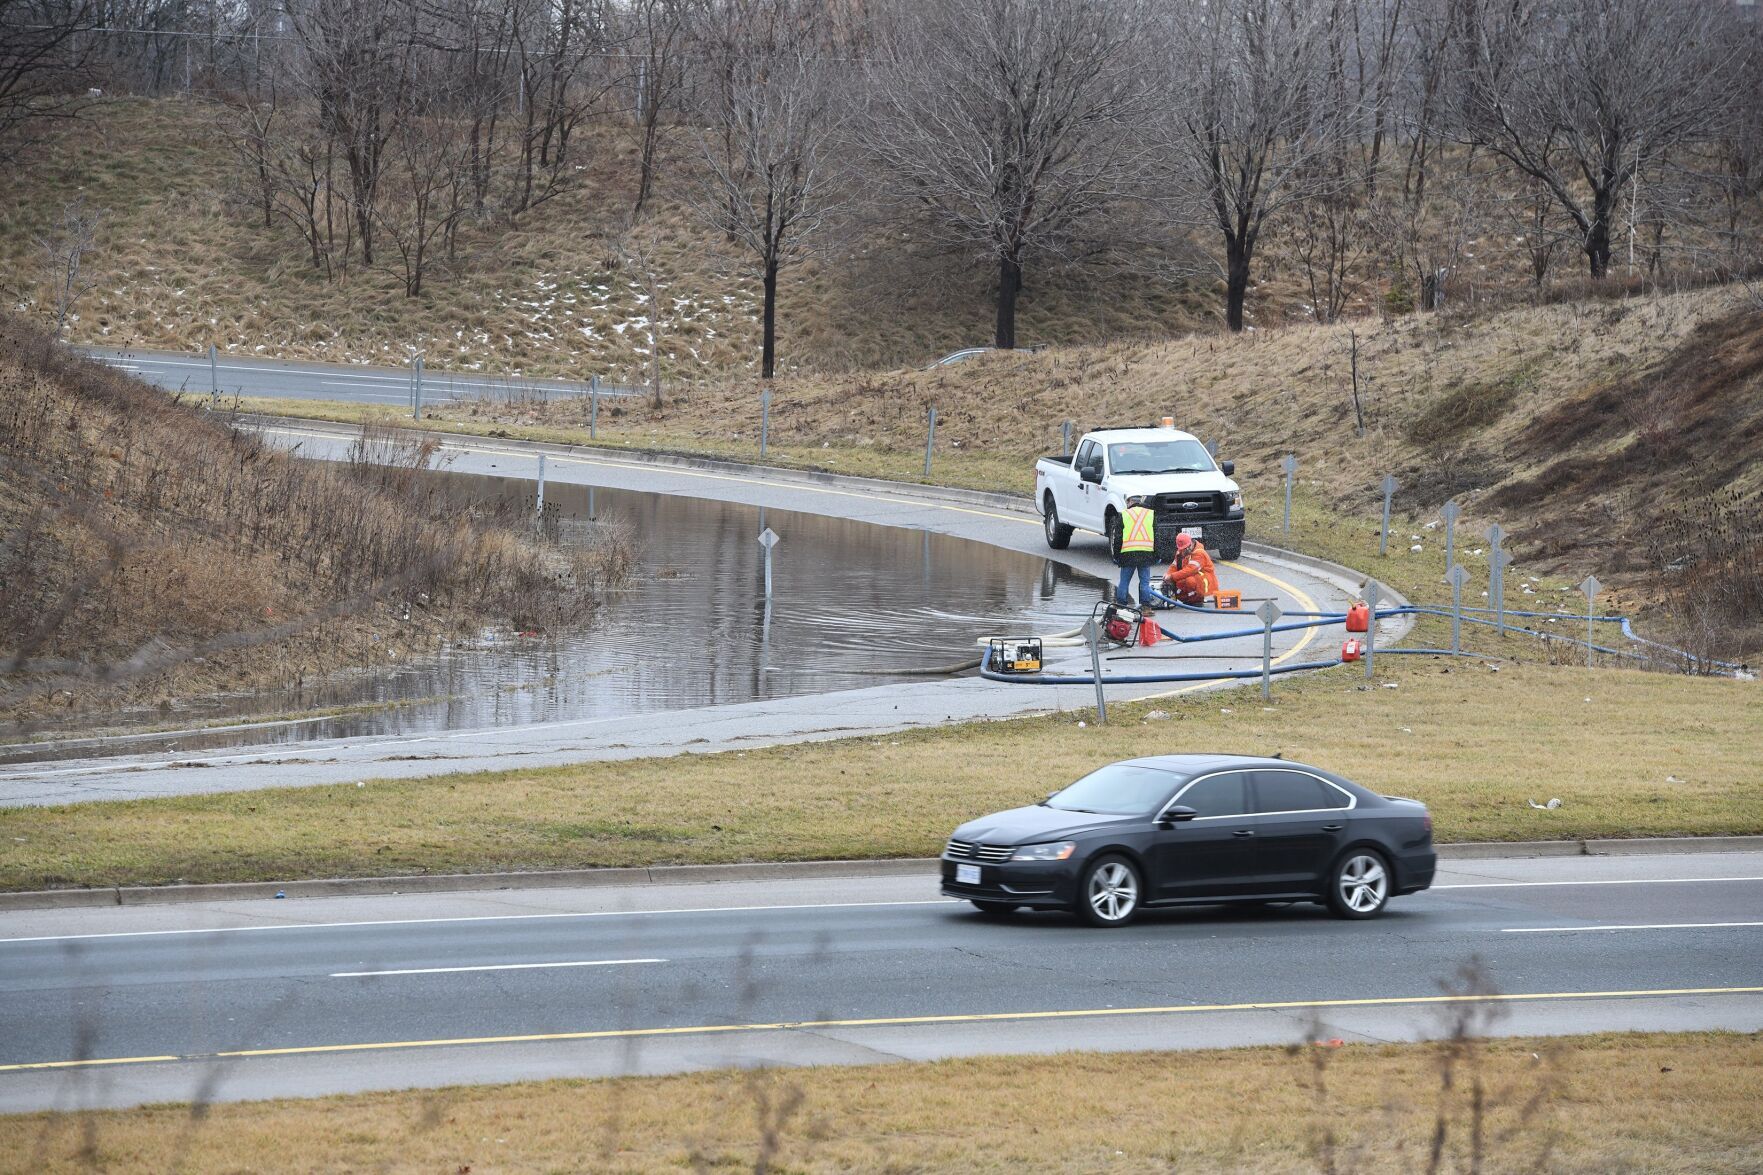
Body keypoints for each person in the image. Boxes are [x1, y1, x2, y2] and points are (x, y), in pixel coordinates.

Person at [1111, 494, 1160, 608]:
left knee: (1124, 581)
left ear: (1130, 502)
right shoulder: (1150, 514)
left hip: (1128, 553)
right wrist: (1157, 554)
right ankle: (1146, 607)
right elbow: (1156, 536)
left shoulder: (1124, 514)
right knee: (1144, 582)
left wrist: (1117, 556)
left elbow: (1117, 538)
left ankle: (1121, 605)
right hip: (1146, 553)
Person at [1162, 532, 1219, 606]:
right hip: (1192, 576)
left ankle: (1197, 600)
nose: (1183, 551)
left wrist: (1172, 577)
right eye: (1181, 549)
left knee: (1190, 581)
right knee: (1179, 582)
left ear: (1191, 544)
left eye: (1185, 549)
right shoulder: (1180, 552)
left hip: (1204, 580)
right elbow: (1174, 566)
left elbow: (1190, 570)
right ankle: (1188, 599)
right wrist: (1168, 575)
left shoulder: (1199, 553)